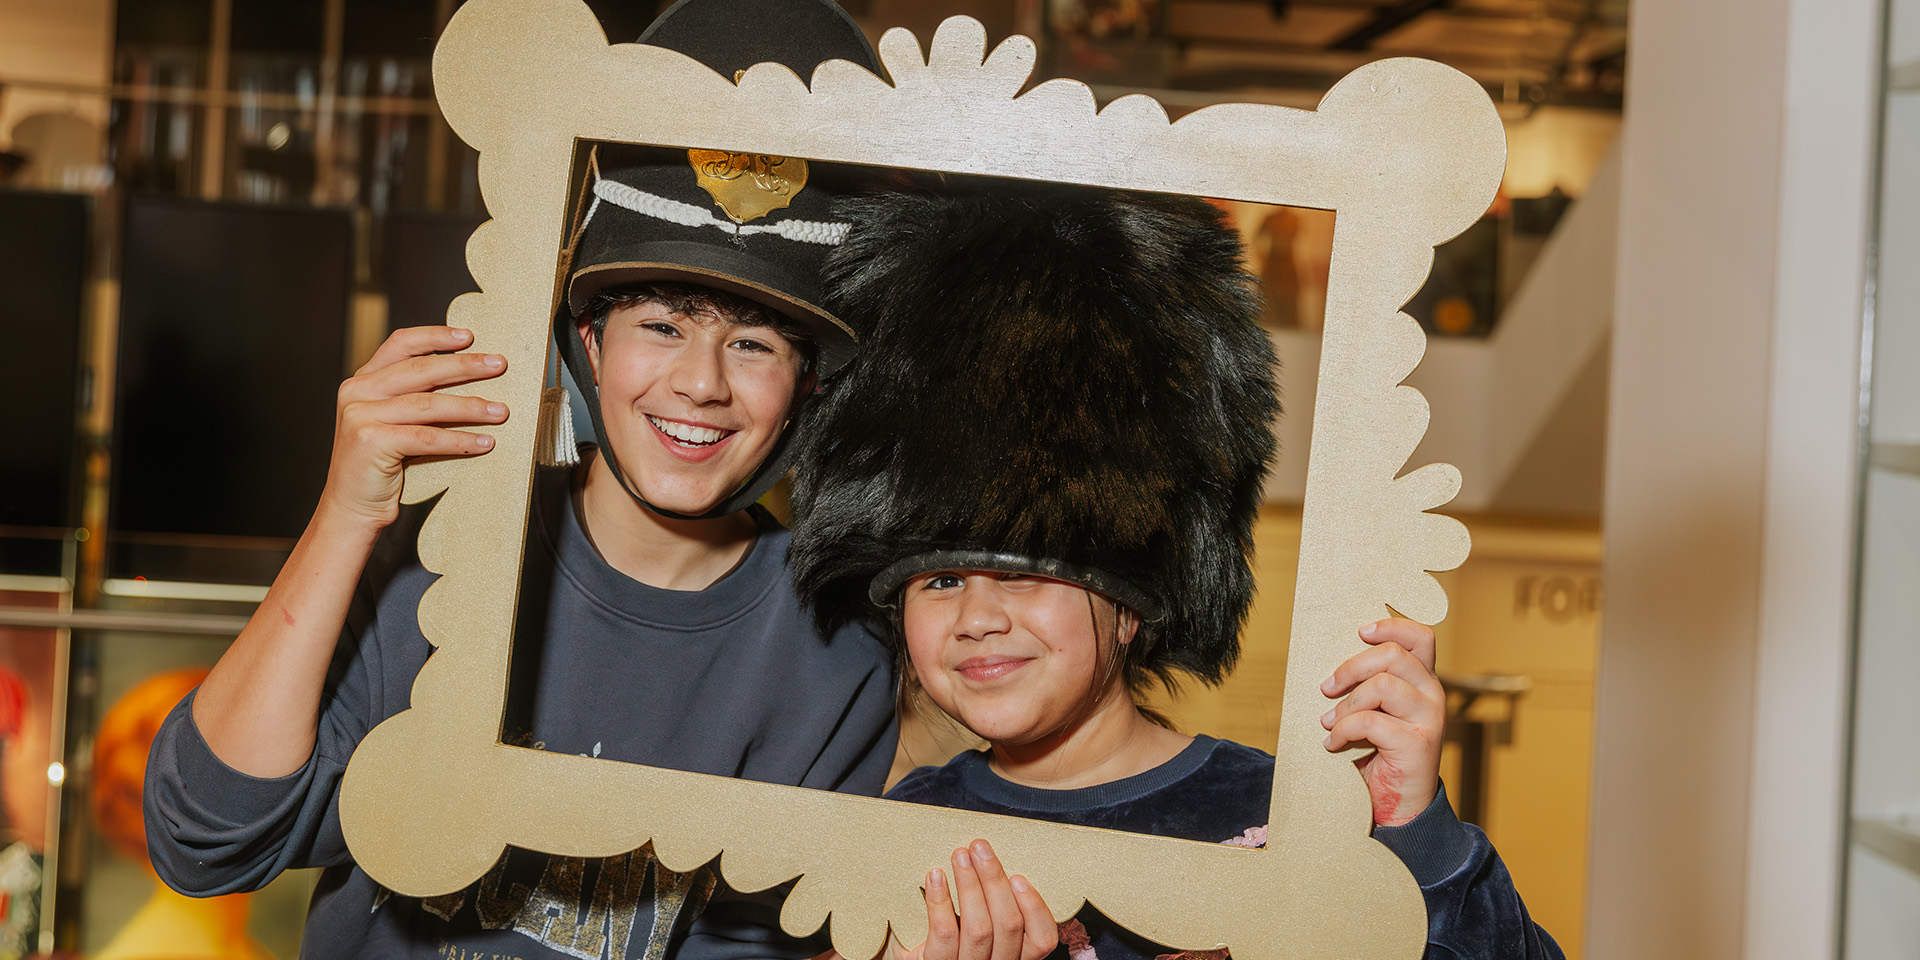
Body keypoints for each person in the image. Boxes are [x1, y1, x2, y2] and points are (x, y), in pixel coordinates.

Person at [141, 2, 900, 957]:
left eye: (753, 344)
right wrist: (345, 516)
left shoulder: (834, 653)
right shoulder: (442, 558)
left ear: (806, 388)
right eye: (662, 325)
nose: (701, 383)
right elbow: (207, 839)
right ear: (588, 340)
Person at [788, 186, 1564, 960]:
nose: (978, 616)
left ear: (1131, 609)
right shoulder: (894, 831)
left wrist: (1415, 837)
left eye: (1023, 573)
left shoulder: (1281, 820)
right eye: (941, 581)